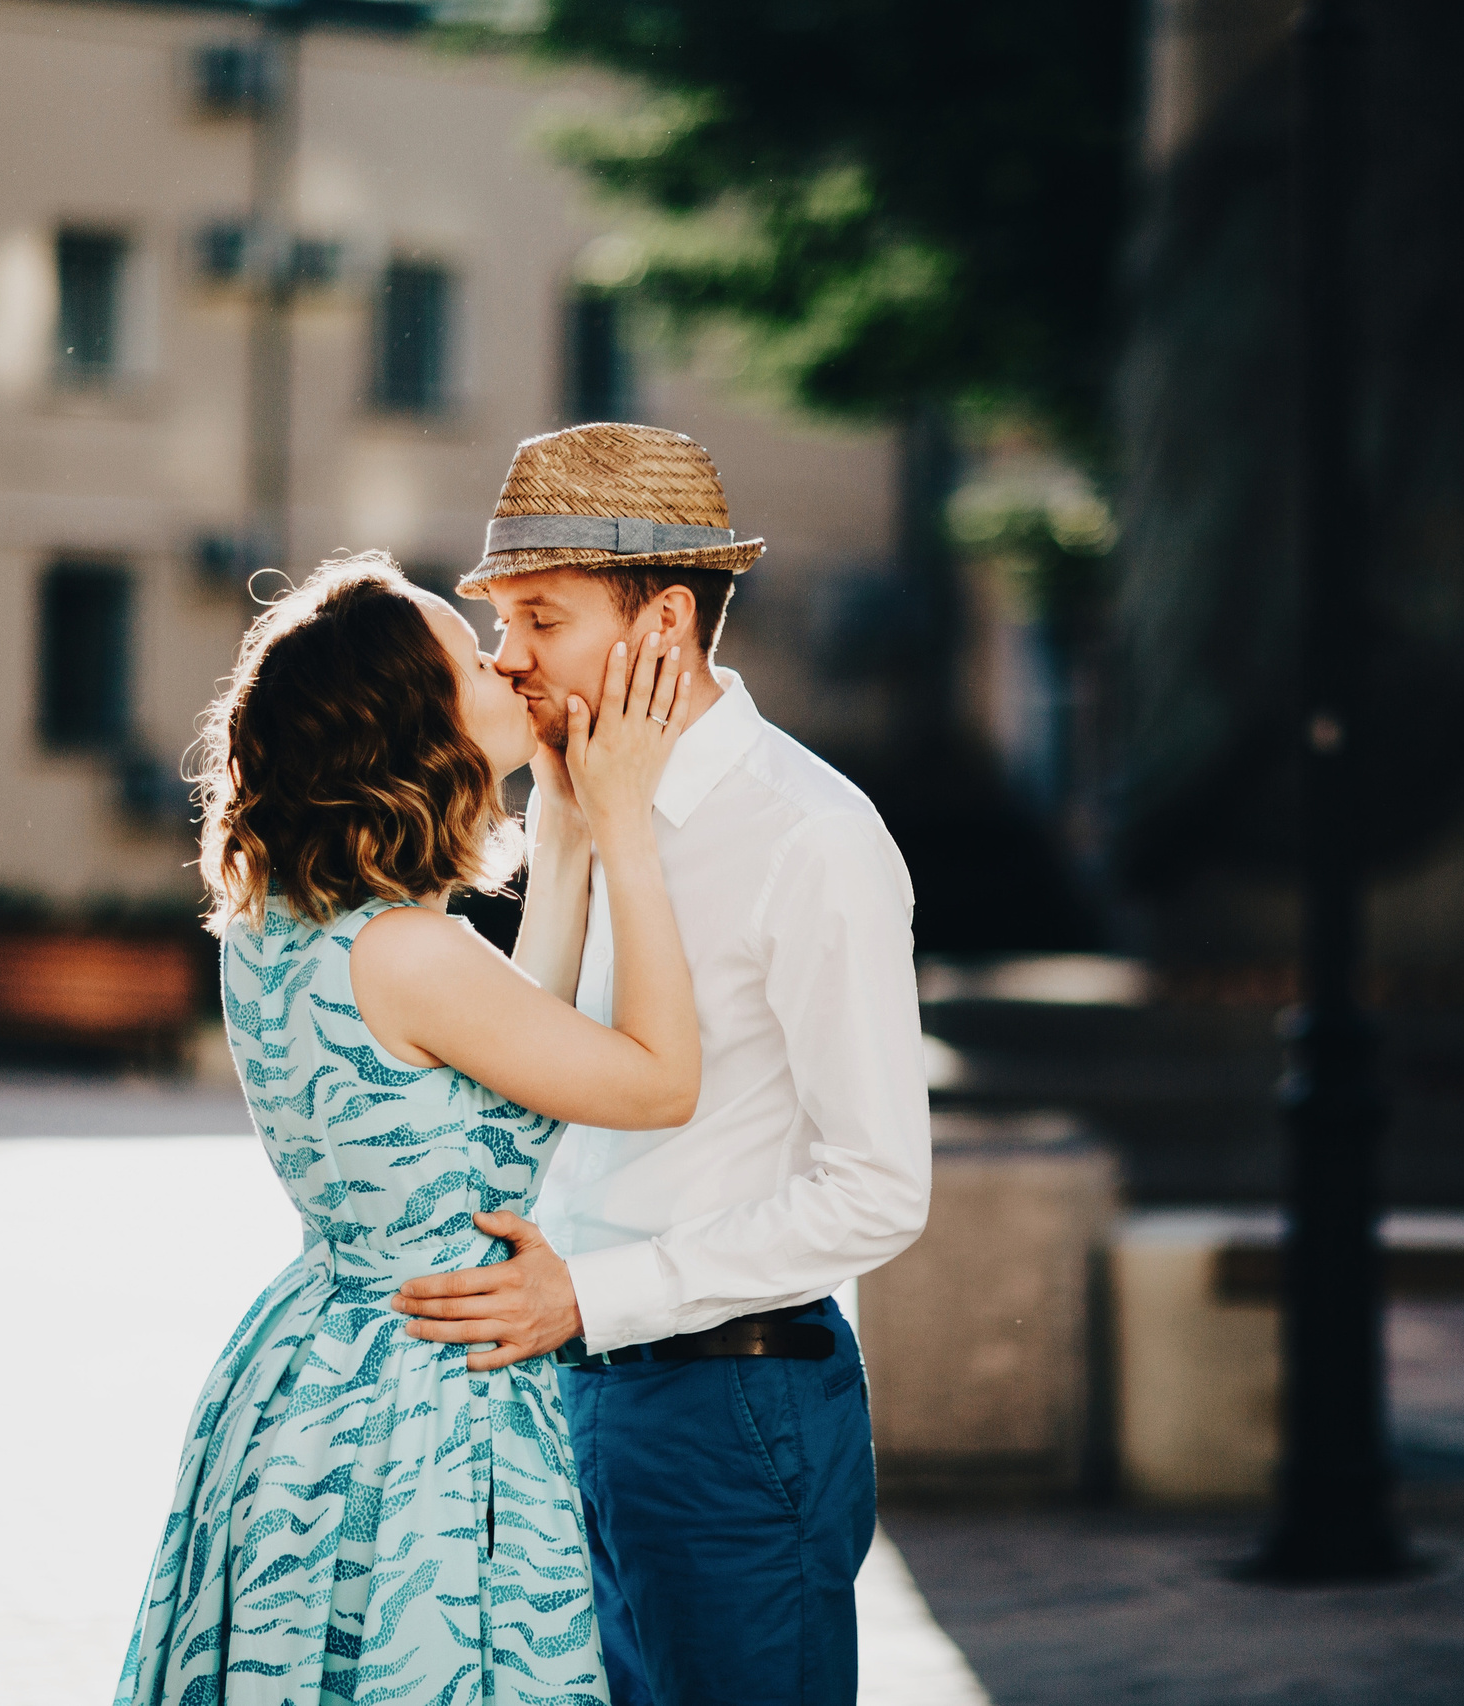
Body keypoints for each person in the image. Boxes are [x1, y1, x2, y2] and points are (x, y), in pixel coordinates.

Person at [387, 422, 932, 1706]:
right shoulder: (574, 800)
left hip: (732, 1416)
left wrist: (598, 1294)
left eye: (541, 617)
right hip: (568, 1402)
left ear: (665, 621)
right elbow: (535, 1076)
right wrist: (571, 834)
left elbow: (877, 1188)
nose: (507, 657)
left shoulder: (814, 837)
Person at [117, 551, 698, 1706]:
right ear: (414, 721)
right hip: (426, 1400)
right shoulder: (411, 952)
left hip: (313, 1367)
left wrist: (568, 823)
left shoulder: (286, 921)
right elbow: (656, 1080)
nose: (507, 660)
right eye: (471, 655)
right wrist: (629, 828)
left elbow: (512, 1046)